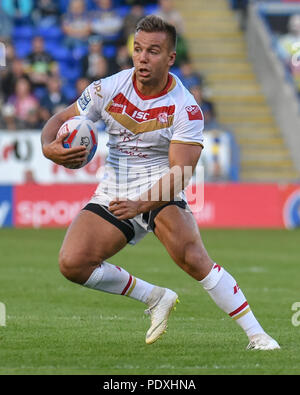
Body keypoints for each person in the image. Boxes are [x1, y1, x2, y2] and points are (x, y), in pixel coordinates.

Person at [41, 15, 280, 350]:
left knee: (193, 258)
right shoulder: (107, 88)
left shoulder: (185, 108)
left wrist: (141, 204)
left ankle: (258, 335)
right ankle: (155, 297)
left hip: (160, 187)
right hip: (116, 188)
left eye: (153, 51)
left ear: (170, 58)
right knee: (73, 263)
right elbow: (61, 120)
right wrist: (49, 148)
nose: (142, 57)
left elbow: (181, 173)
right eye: (138, 49)